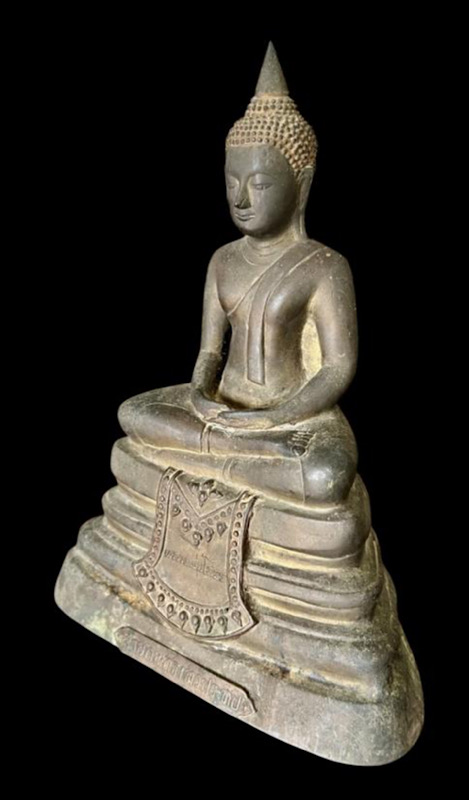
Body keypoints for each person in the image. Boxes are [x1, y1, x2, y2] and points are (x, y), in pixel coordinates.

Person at [118, 42, 358, 509]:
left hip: (295, 420)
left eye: (260, 183)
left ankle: (231, 457)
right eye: (232, 183)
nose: (241, 199)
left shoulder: (325, 266)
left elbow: (337, 368)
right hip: (222, 412)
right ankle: (248, 458)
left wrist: (276, 418)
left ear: (302, 183)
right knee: (133, 414)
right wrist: (200, 396)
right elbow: (210, 351)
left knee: (325, 477)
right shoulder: (222, 260)